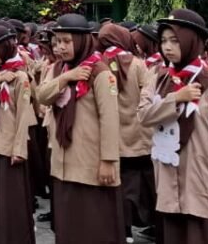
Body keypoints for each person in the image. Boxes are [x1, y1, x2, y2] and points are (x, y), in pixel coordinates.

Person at [137, 9, 208, 244]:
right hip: (169, 177)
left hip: (202, 180)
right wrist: (175, 98)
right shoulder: (159, 78)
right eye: (163, 41)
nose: (167, 47)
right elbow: (143, 116)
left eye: (175, 40)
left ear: (191, 41)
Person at [36, 14, 124, 244]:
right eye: (57, 41)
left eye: (67, 41)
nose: (60, 47)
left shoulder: (100, 72)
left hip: (90, 162)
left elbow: (110, 120)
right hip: (64, 160)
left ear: (83, 40)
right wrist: (66, 77)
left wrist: (108, 161)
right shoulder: (57, 69)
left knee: (94, 224)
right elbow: (42, 97)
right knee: (69, 223)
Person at [0, 23, 36, 244]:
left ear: (6, 47)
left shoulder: (20, 75)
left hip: (10, 143)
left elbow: (23, 116)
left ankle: (14, 237)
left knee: (12, 198)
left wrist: (19, 149)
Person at [100, 22, 156, 242]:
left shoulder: (99, 65)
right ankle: (154, 223)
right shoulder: (138, 64)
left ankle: (122, 230)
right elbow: (149, 95)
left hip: (114, 136)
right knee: (150, 184)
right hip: (141, 133)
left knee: (121, 185)